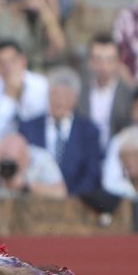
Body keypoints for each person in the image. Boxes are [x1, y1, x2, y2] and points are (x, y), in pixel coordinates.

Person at [16, 66, 103, 194]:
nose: (60, 100)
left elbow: (91, 174)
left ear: (75, 98)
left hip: (76, 200)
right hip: (34, 198)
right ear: (47, 96)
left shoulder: (89, 131)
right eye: (55, 94)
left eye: (66, 95)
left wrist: (68, 198)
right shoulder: (28, 128)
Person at [0, 39, 49, 155]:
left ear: (23, 60)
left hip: (37, 149)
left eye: (13, 61)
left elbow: (44, 125)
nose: (8, 68)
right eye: (2, 63)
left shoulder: (43, 85)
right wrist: (9, 97)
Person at [0, 130, 68, 198]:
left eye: (13, 163)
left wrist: (26, 186)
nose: (8, 169)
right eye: (4, 162)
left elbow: (61, 193)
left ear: (26, 157)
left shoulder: (41, 159)